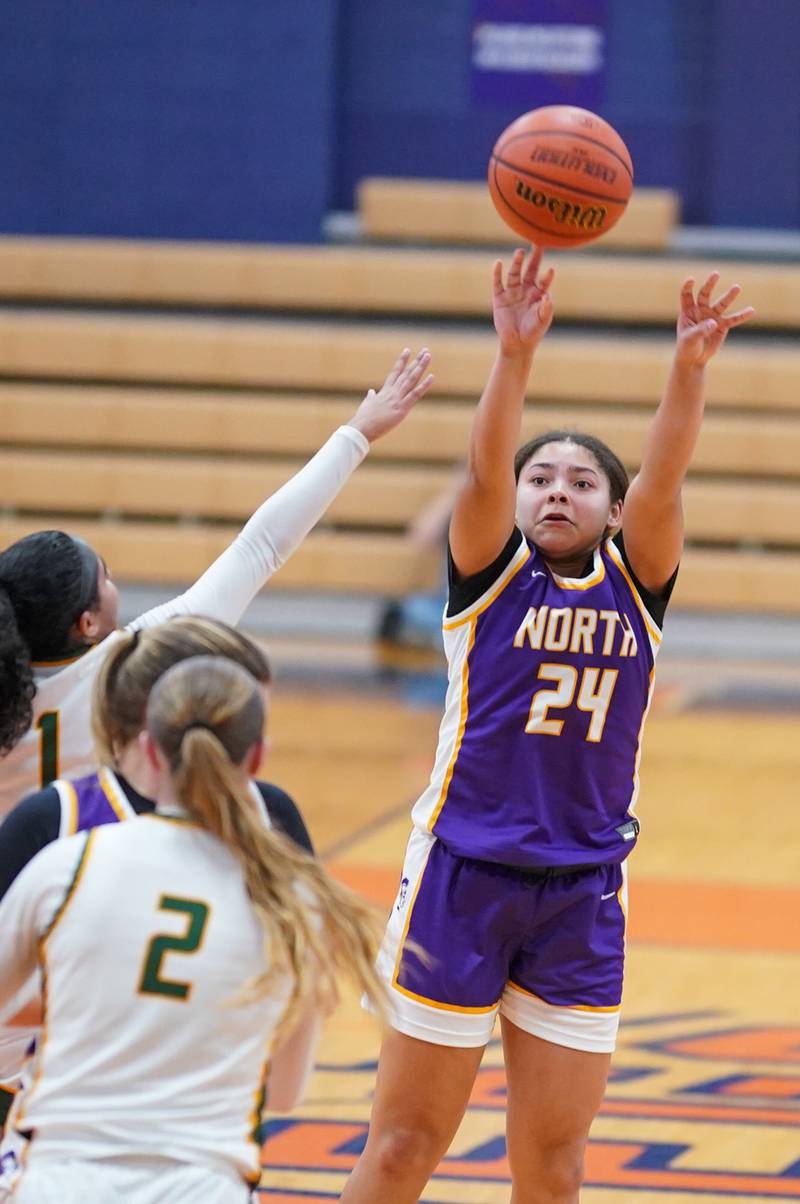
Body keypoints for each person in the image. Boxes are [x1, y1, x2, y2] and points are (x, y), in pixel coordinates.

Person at [340, 249, 754, 1203]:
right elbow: (485, 470)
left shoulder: (636, 585)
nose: (556, 490)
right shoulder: (489, 574)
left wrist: (688, 370)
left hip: (581, 893)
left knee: (556, 1165)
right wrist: (513, 356)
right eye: (543, 479)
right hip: (461, 879)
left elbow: (665, 477)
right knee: (404, 1145)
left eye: (580, 482)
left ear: (613, 513)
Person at [0, 655, 386, 1203]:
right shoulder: (291, 903)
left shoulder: (70, 863)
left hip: (60, 1179)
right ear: (257, 758)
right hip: (203, 1186)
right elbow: (284, 1093)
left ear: (150, 748)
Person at [0, 347, 434, 813]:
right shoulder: (129, 661)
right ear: (85, 624)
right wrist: (359, 432)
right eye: (105, 578)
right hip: (93, 876)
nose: (114, 581)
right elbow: (261, 546)